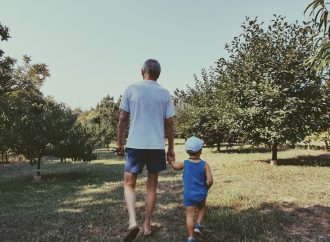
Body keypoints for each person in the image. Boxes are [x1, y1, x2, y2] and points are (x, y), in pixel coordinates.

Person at [117, 59, 176, 242]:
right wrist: (171, 148)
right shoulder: (164, 93)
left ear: (142, 71)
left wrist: (119, 143)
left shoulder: (131, 89)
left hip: (135, 144)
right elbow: (170, 123)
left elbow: (122, 119)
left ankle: (133, 221)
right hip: (156, 146)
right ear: (158, 74)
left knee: (129, 183)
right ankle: (147, 226)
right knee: (152, 186)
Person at [169, 136, 213, 242]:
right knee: (201, 207)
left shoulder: (185, 163)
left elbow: (175, 166)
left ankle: (191, 237)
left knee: (189, 215)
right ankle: (198, 225)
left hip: (189, 195)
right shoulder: (205, 165)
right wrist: (206, 187)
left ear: (187, 151)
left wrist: (171, 161)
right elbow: (210, 181)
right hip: (201, 194)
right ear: (200, 151)